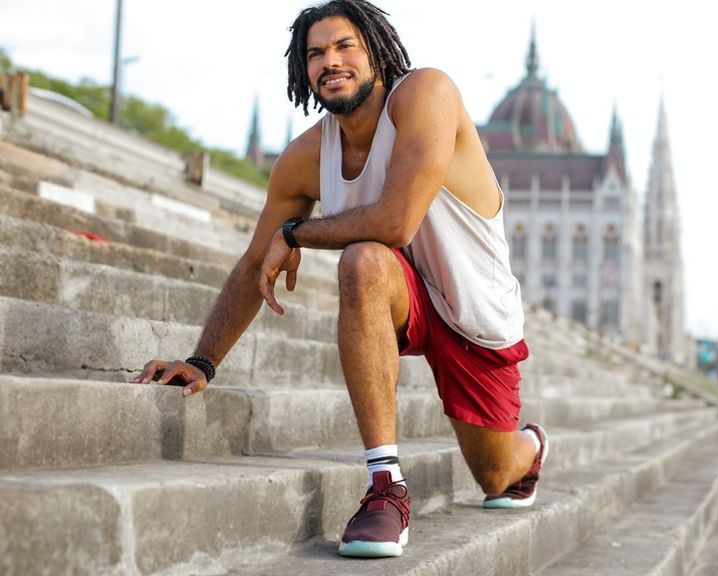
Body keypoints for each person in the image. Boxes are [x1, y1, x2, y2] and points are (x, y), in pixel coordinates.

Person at [130, 0, 546, 559]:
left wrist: (297, 232)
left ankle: (530, 446)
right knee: (363, 261)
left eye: (345, 46)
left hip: (475, 312)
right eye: (315, 53)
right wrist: (203, 360)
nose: (331, 61)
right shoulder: (305, 158)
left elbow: (397, 221)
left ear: (374, 51)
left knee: (498, 477)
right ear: (302, 71)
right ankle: (384, 487)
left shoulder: (427, 94)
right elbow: (258, 259)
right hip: (397, 292)